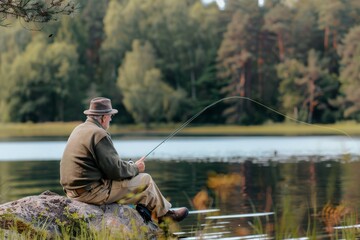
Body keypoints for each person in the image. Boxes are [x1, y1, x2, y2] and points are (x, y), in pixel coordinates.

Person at [60, 97, 188, 222]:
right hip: (91, 194)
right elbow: (114, 171)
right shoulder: (99, 134)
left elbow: (106, 166)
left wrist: (130, 165)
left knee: (143, 189)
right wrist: (136, 168)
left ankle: (155, 214)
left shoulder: (79, 129)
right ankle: (165, 216)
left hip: (72, 193)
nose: (111, 119)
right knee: (146, 180)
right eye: (110, 116)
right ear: (104, 117)